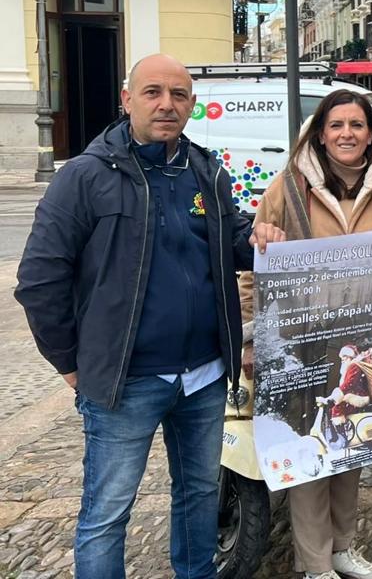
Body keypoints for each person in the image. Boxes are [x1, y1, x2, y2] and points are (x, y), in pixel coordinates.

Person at [14, 53, 284, 579]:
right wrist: (73, 364)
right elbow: (39, 281)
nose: (167, 104)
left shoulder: (204, 169)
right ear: (127, 99)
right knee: (107, 512)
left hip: (205, 375)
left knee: (200, 496)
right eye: (153, 92)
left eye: (179, 95)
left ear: (191, 106)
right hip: (125, 382)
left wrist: (259, 236)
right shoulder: (86, 177)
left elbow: (231, 241)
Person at [240, 88, 372, 579]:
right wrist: (250, 339)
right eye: (337, 125)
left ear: (371, 135)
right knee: (308, 450)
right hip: (303, 341)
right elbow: (254, 268)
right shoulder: (287, 189)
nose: (347, 134)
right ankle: (315, 562)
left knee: (352, 445)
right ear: (321, 135)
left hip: (362, 345)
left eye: (357, 125)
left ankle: (345, 547)